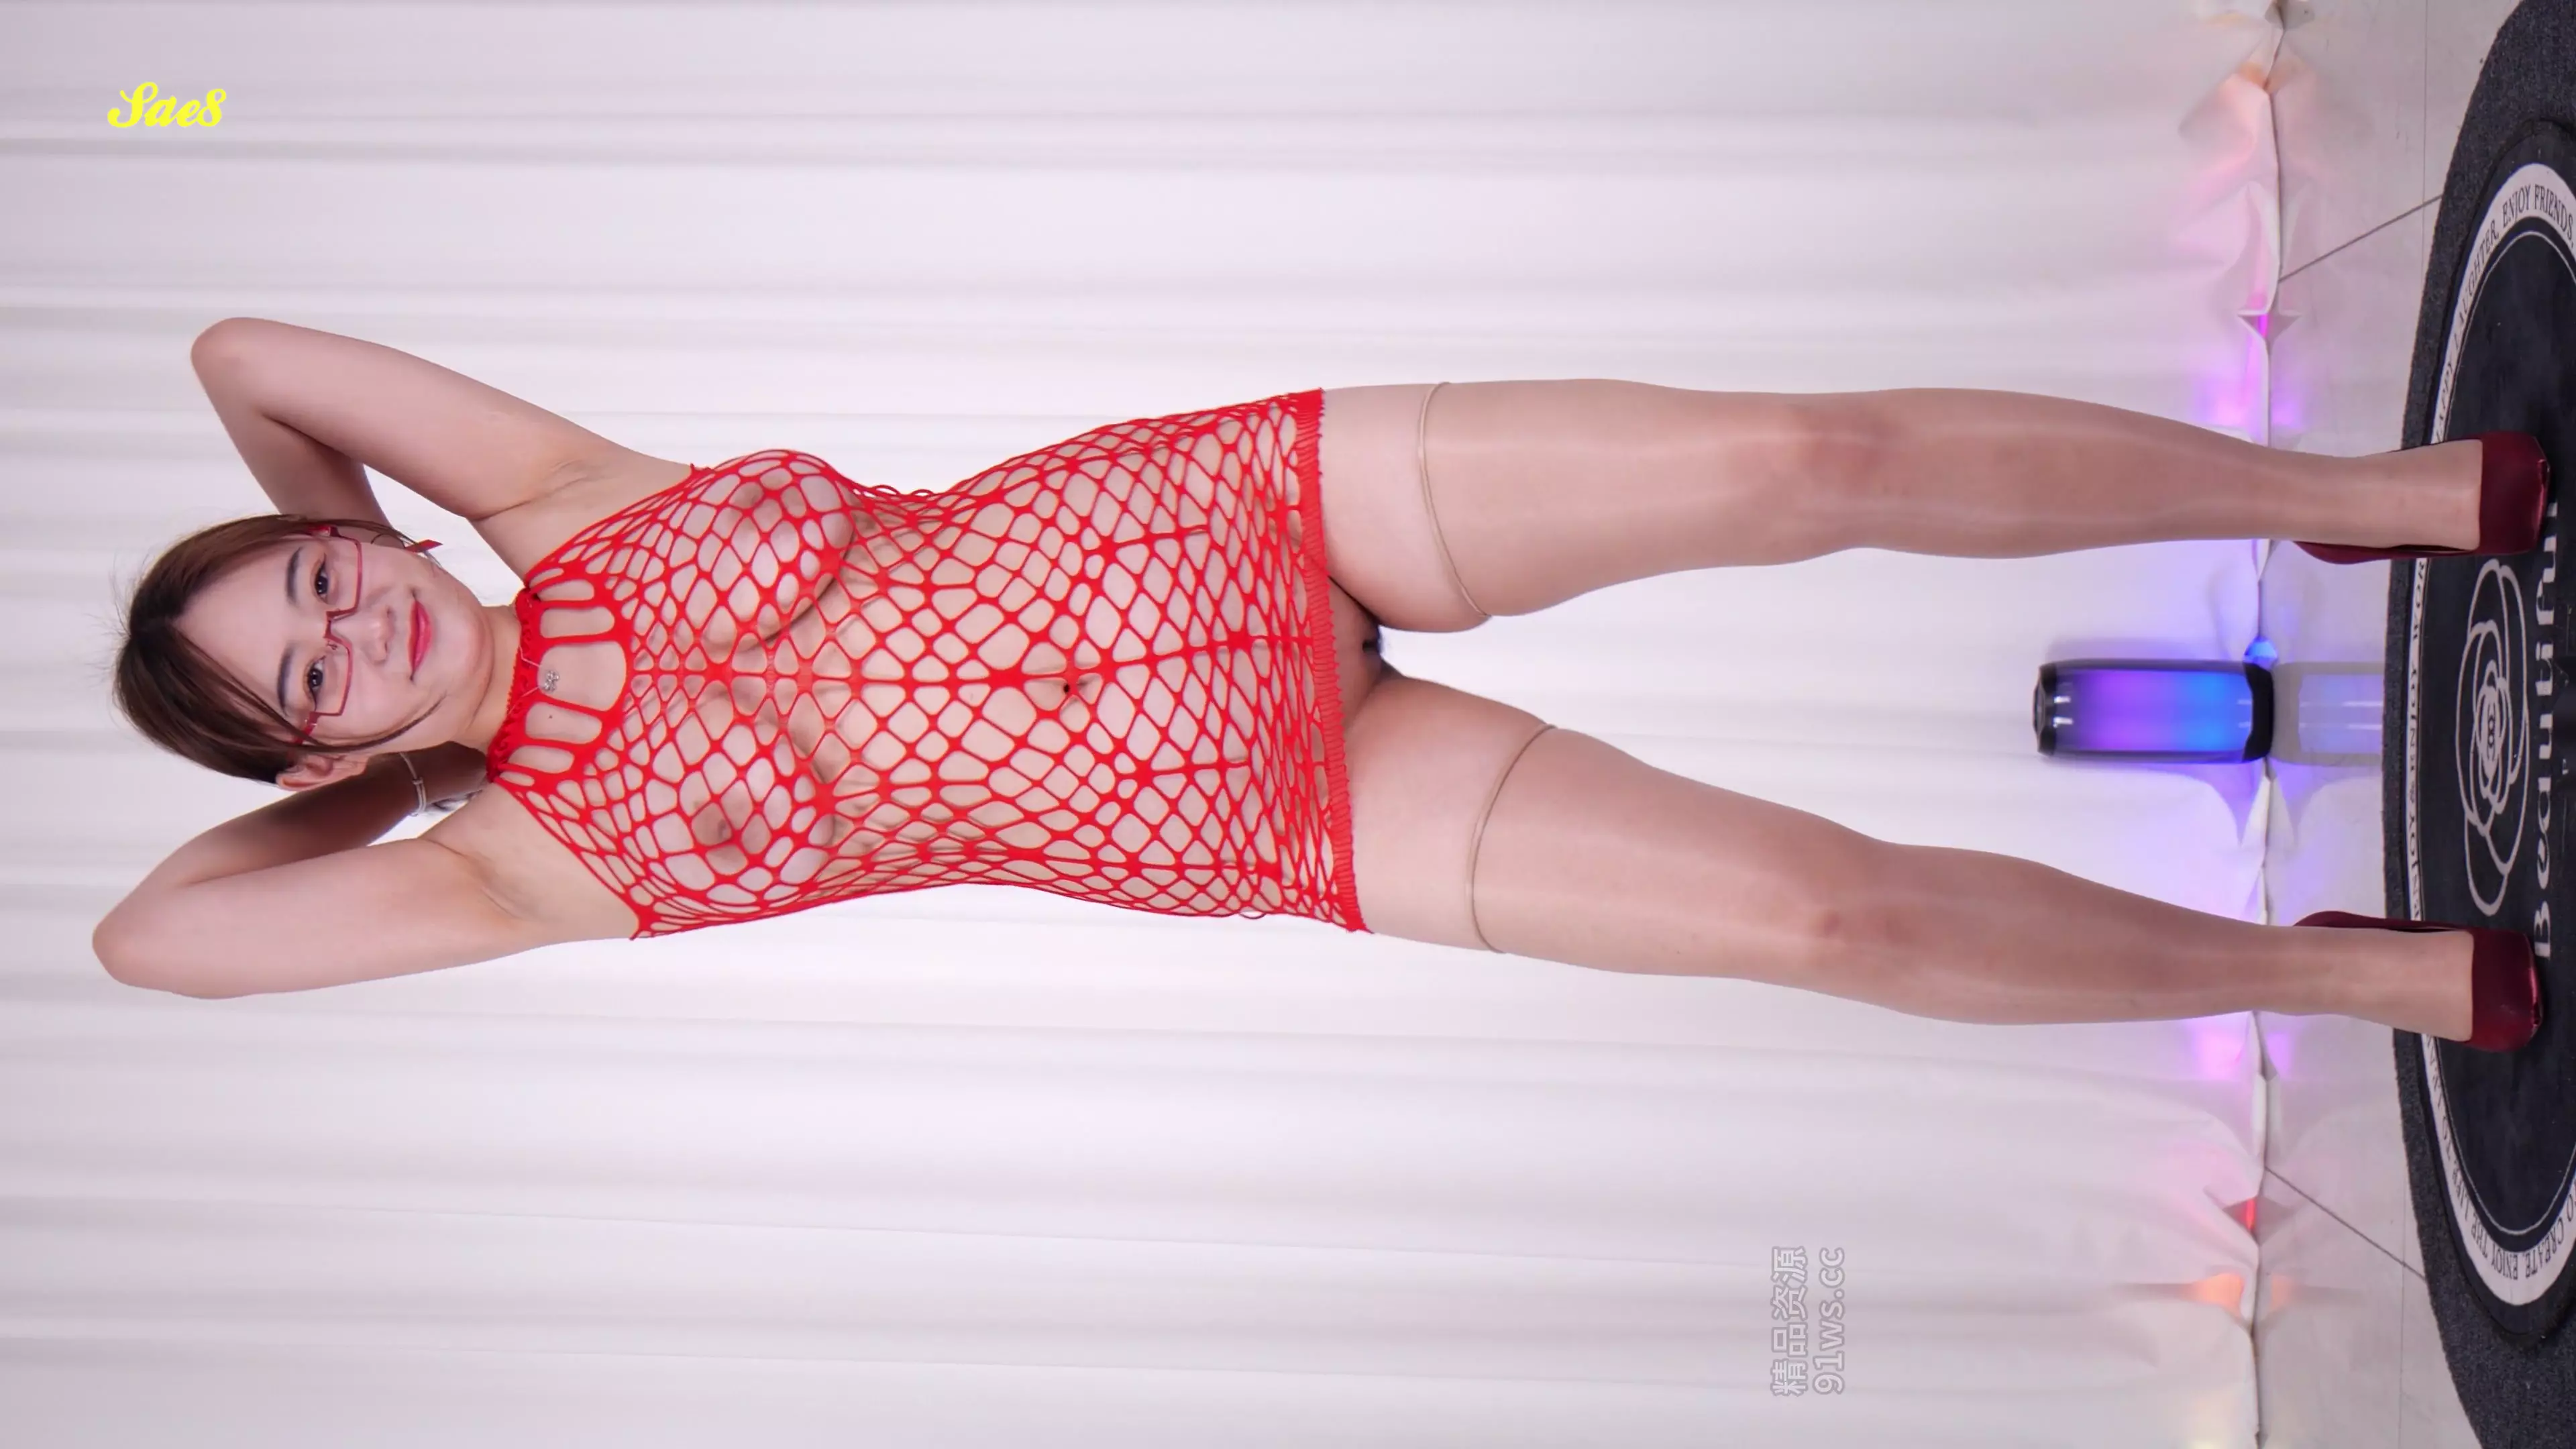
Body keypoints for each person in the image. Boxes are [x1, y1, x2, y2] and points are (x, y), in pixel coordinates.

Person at [95, 317, 2547, 1053]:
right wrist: (386, 788)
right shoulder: (511, 872)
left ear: (357, 526)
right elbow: (156, 938)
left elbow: (242, 351)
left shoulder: (550, 498)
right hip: (1278, 806)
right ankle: (2335, 977)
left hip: (1243, 507)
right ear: (308, 741)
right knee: (1829, 924)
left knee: (1806, 456)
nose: (352, 620)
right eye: (308, 671)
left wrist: (340, 622)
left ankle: (2362, 487)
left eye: (319, 574)